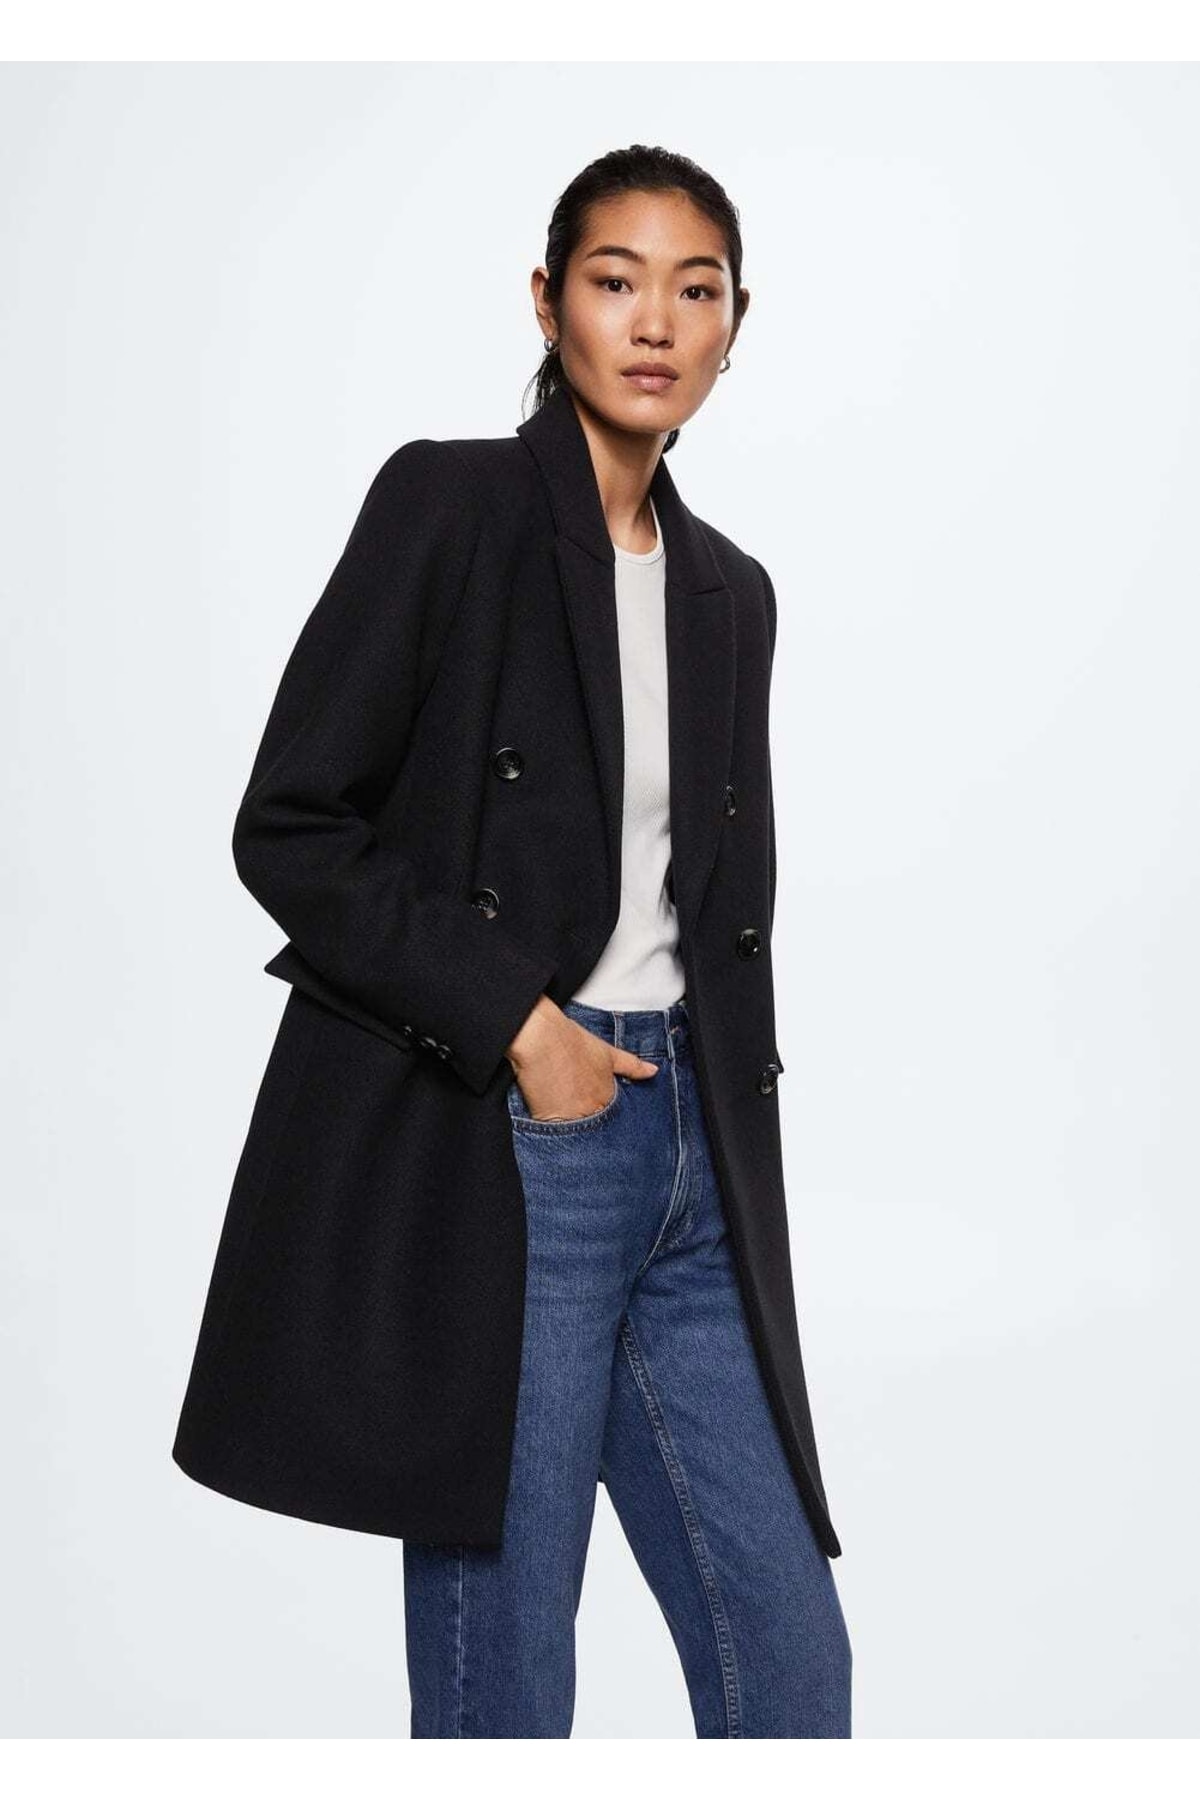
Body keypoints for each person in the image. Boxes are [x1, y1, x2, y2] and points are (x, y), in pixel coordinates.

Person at [173, 143, 851, 1739]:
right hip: (519, 1143)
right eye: (617, 280)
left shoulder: (731, 593)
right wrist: (523, 1026)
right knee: (508, 1683)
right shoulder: (452, 507)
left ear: (737, 324)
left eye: (696, 290)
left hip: (693, 1158)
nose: (655, 323)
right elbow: (292, 824)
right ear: (549, 303)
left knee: (792, 1672)